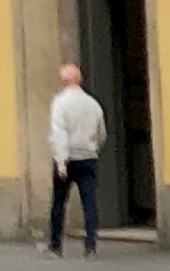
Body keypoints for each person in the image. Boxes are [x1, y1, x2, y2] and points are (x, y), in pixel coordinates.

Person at [46, 63, 107, 260]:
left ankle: (56, 246)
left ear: (63, 82)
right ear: (79, 80)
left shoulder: (60, 103)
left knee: (59, 203)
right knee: (89, 203)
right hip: (88, 157)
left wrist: (61, 162)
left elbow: (59, 133)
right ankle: (90, 246)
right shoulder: (92, 103)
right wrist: (93, 148)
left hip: (68, 158)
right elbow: (101, 132)